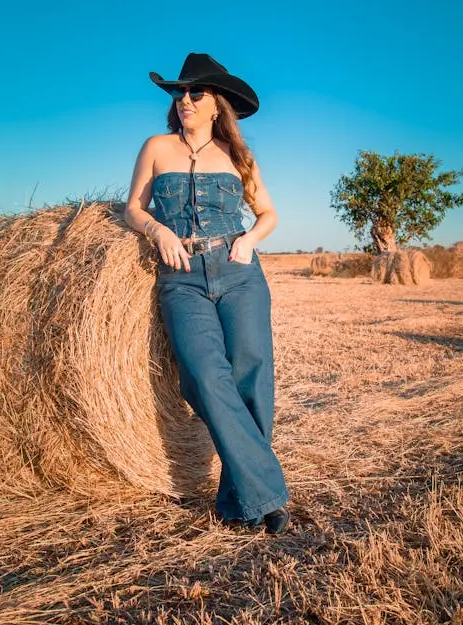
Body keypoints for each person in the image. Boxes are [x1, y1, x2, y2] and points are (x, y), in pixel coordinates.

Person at [123, 53, 290, 534]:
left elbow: (268, 214)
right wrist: (158, 231)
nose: (185, 101)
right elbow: (134, 208)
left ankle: (242, 502)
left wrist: (249, 242)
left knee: (252, 375)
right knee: (203, 376)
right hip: (182, 276)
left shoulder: (239, 156)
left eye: (196, 93)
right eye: (179, 94)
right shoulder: (156, 147)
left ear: (218, 104)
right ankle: (270, 492)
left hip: (239, 272)